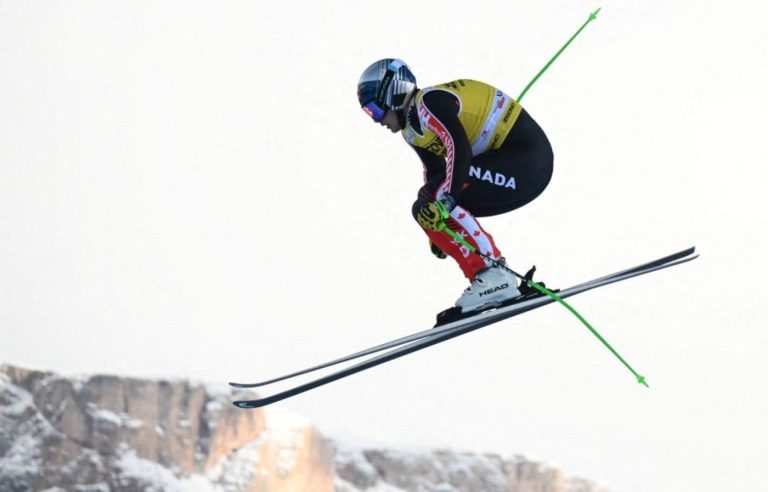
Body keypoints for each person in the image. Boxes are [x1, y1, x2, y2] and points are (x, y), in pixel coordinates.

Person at [357, 58, 554, 315]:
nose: (376, 120)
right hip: (506, 170)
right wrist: (438, 231)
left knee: (440, 196)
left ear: (392, 94)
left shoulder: (428, 102)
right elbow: (435, 174)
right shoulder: (411, 131)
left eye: (374, 110)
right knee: (424, 205)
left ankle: (495, 275)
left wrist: (446, 203)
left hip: (527, 160)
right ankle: (484, 281)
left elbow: (457, 148)